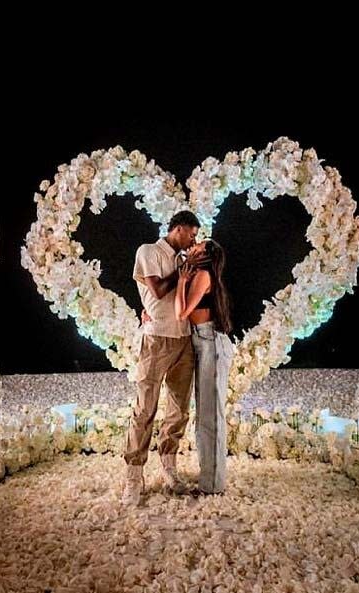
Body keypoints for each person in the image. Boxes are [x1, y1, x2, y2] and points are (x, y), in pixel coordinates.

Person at [122, 211, 200, 505]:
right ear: (178, 229)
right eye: (191, 234)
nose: (193, 239)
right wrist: (183, 270)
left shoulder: (184, 261)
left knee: (179, 409)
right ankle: (133, 476)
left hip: (184, 339)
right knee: (145, 408)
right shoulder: (149, 251)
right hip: (156, 339)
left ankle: (169, 468)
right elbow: (156, 289)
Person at [174, 239, 234, 494]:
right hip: (202, 341)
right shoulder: (197, 273)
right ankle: (208, 479)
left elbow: (181, 313)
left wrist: (181, 281)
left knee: (211, 415)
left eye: (200, 245)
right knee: (205, 415)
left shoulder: (202, 275)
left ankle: (213, 485)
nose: (194, 244)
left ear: (205, 255)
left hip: (211, 343)